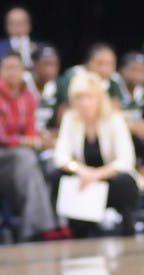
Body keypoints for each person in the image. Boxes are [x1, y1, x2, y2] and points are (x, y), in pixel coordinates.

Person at [52, 72, 142, 237]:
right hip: (82, 178)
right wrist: (80, 170)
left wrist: (97, 174)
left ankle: (127, 226)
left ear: (100, 98)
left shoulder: (114, 119)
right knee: (56, 174)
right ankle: (69, 227)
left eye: (89, 97)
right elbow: (61, 156)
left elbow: (125, 160)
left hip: (109, 179)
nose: (85, 103)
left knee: (125, 181)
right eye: (80, 98)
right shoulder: (70, 119)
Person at [0, 52, 61, 241]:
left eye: (17, 67)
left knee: (51, 162)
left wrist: (42, 141)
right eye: (8, 67)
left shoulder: (28, 96)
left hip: (23, 152)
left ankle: (59, 223)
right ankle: (41, 227)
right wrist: (32, 142)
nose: (13, 72)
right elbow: (0, 136)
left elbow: (30, 130)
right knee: (26, 158)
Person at [54, 43, 123, 127]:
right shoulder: (73, 77)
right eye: (99, 63)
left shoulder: (113, 81)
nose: (104, 69)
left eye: (109, 64)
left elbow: (116, 110)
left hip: (101, 129)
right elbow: (65, 110)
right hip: (75, 126)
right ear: (88, 63)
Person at [0, 7, 37, 83]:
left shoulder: (39, 46)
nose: (18, 26)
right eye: (13, 23)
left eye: (21, 22)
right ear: (7, 26)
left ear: (29, 25)